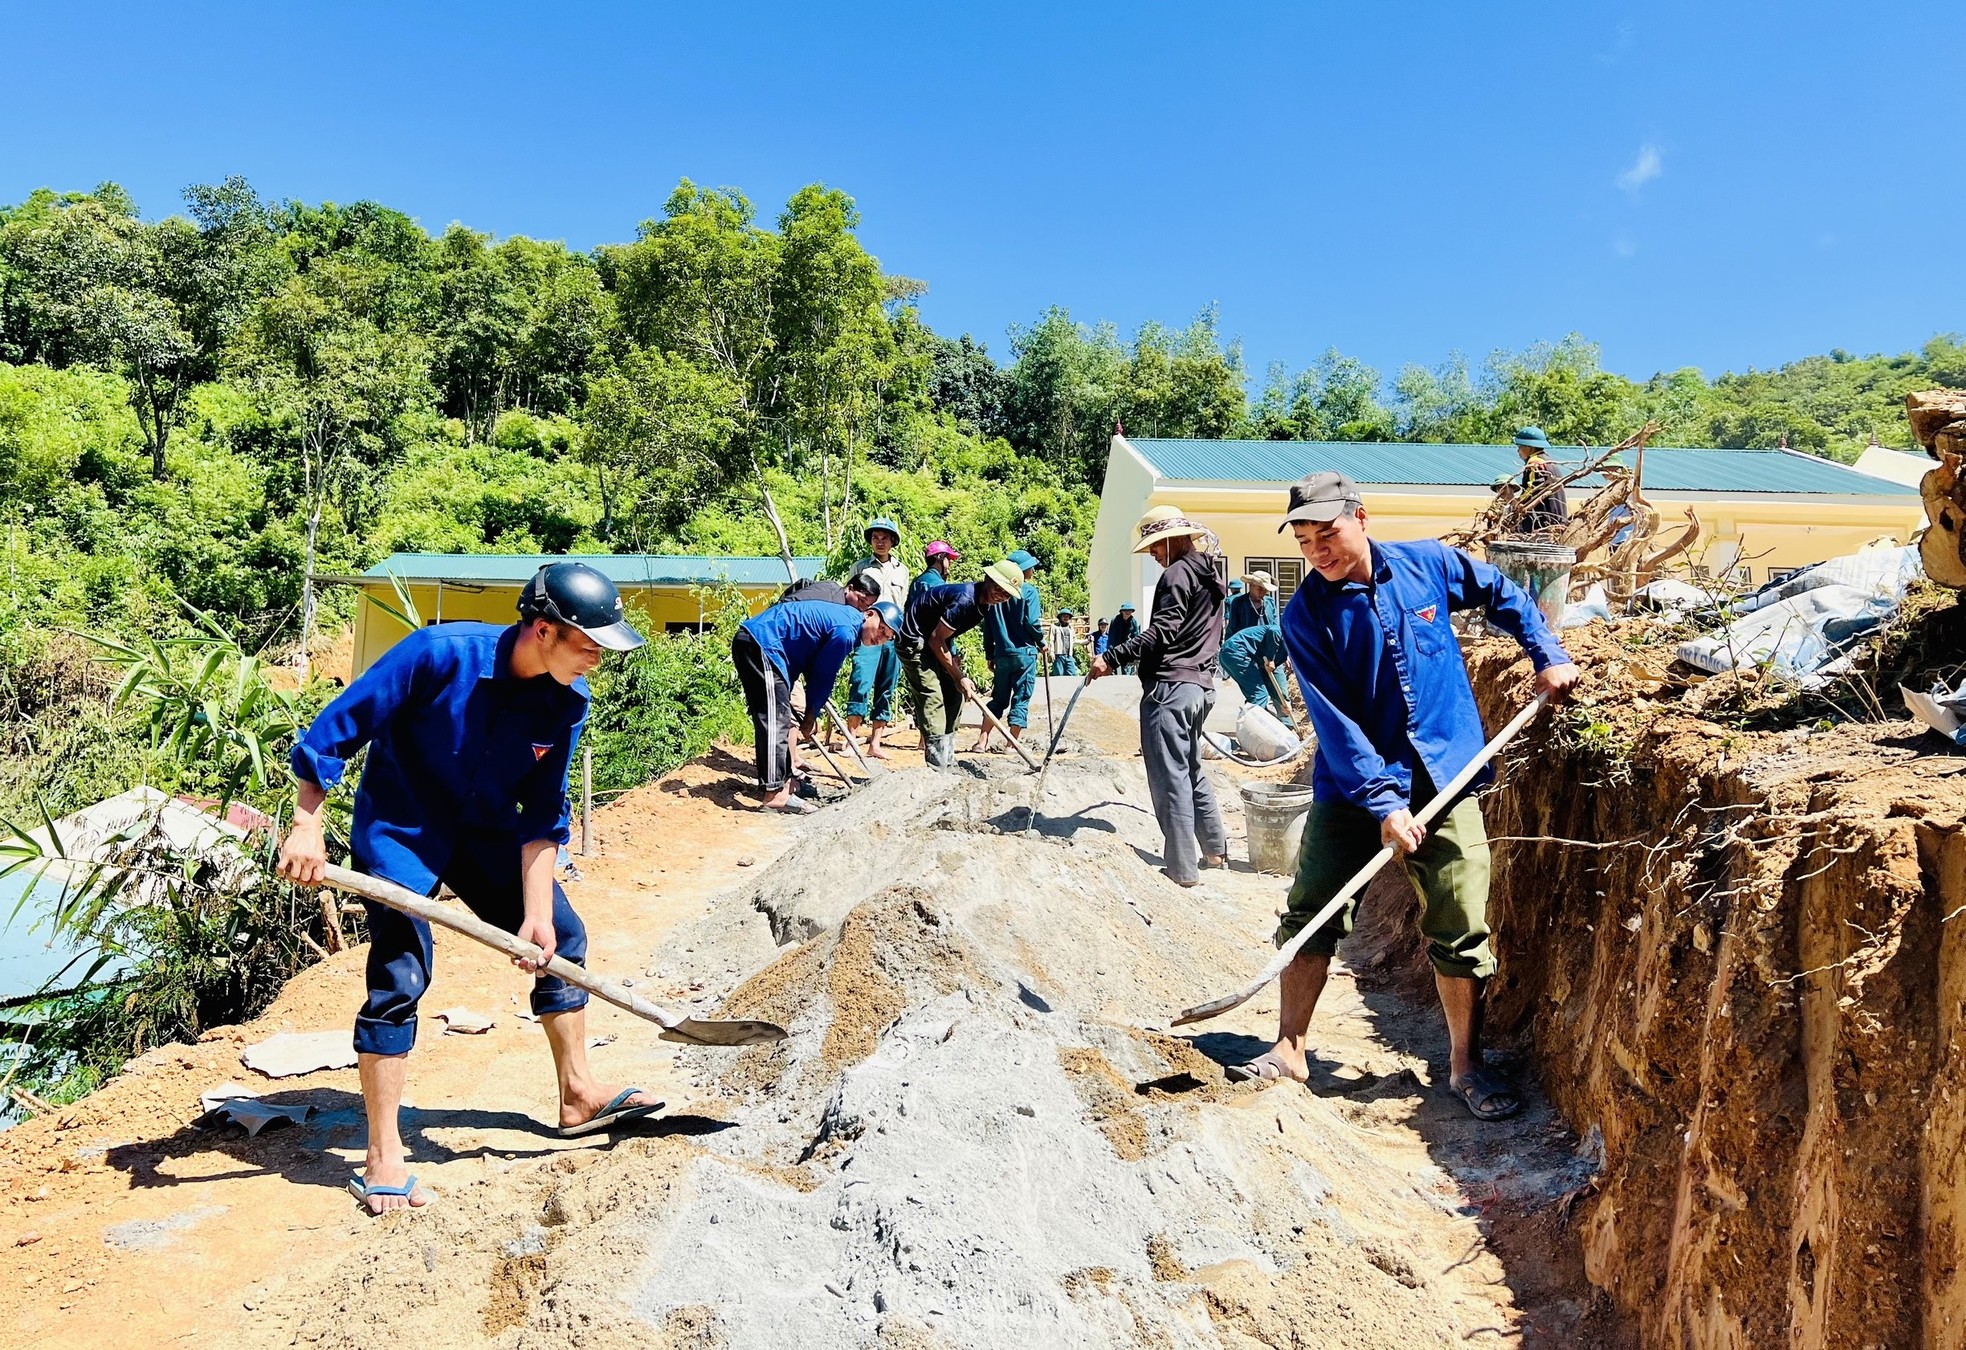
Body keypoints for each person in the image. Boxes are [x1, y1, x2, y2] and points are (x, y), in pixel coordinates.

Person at [275, 562, 654, 1215]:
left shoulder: (567, 702)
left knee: (563, 937)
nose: (598, 659)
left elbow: (541, 818)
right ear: (543, 630)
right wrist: (306, 826)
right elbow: (339, 727)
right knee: (400, 969)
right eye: (589, 645)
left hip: (485, 834)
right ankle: (383, 1151)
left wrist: (534, 915)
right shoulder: (437, 656)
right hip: (402, 830)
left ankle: (577, 1094)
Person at [1237, 470, 1580, 1123]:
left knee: (1460, 921)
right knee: (1312, 909)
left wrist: (1544, 649)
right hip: (1353, 786)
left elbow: (1500, 590)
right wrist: (1384, 803)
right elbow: (1335, 722)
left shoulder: (1427, 565)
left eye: (1327, 533)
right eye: (1305, 541)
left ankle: (1464, 1067)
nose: (1318, 550)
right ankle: (1289, 1047)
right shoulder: (1305, 615)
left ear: (1360, 518)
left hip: (1444, 775)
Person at [1087, 506, 1228, 887]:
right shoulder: (1209, 573)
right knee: (1192, 768)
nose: (1152, 554)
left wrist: (1111, 658)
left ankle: (1182, 869)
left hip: (1171, 689)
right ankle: (1215, 849)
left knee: (1170, 778)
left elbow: (1162, 633)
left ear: (1172, 539)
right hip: (1200, 687)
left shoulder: (1176, 574)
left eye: (1154, 546)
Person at [732, 598, 899, 813]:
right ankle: (774, 795)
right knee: (775, 721)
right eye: (882, 628)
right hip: (762, 643)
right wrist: (810, 717)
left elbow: (813, 666)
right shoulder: (845, 631)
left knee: (779, 718)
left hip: (768, 647)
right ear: (869, 614)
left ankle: (786, 783)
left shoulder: (848, 626)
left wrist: (811, 712)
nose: (881, 637)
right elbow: (822, 677)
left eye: (887, 637)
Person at [898, 558, 1022, 769]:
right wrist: (960, 676)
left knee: (954, 695)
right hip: (914, 642)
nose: (1000, 596)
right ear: (988, 579)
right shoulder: (965, 599)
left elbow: (945, 635)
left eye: (1006, 594)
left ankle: (947, 756)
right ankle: (937, 765)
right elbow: (936, 639)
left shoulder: (984, 607)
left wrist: (954, 666)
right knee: (932, 696)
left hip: (933, 641)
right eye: (999, 589)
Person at [844, 518, 912, 759]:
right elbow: (851, 600)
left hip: (892, 637)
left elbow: (903, 604)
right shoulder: (860, 567)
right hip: (868, 634)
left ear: (892, 541)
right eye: (875, 538)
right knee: (861, 681)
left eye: (884, 538)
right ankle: (851, 741)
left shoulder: (902, 570)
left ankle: (876, 743)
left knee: (886, 687)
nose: (880, 542)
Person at [974, 550, 1043, 754]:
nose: (1032, 570)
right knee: (1021, 697)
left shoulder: (994, 593)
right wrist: (1041, 642)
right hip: (1025, 653)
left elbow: (988, 627)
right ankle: (1012, 744)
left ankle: (982, 741)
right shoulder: (1028, 592)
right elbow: (1032, 622)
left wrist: (989, 653)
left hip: (1002, 653)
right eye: (1030, 567)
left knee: (998, 698)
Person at [1218, 619, 1287, 711]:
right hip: (1236, 651)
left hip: (1231, 653)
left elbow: (1270, 678)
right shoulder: (1288, 636)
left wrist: (1284, 702)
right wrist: (1271, 659)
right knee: (1259, 693)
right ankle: (1256, 722)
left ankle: (1254, 717)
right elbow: (1274, 631)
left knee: (1255, 693)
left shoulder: (1283, 654)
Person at [1512, 426, 1568, 533]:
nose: (1518, 451)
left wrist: (1517, 503)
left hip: (1542, 523)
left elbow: (1533, 490)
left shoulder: (1535, 462)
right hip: (1557, 519)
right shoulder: (1549, 461)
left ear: (1530, 448)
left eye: (1520, 446)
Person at [1225, 571, 1279, 640]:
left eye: (1265, 590)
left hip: (1267, 646)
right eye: (1259, 589)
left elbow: (1275, 627)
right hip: (1246, 646)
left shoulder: (1270, 602)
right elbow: (1231, 629)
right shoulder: (1238, 602)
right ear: (1251, 585)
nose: (1262, 592)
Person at [1106, 602, 1139, 674]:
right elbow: (1111, 634)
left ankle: (1126, 680)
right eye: (1125, 611)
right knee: (1113, 666)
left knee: (1126, 667)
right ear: (1121, 612)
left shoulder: (1134, 622)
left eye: (1129, 611)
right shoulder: (1115, 620)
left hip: (1126, 646)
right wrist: (1111, 647)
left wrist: (1135, 648)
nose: (1127, 612)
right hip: (1116, 645)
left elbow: (1136, 636)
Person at [1048, 610, 1080, 677]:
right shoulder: (1054, 627)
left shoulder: (1071, 628)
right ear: (1060, 617)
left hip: (1069, 655)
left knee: (1072, 674)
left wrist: (1086, 641)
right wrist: (1051, 652)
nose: (1066, 618)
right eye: (1064, 616)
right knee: (1059, 675)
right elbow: (1051, 640)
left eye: (1067, 616)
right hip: (1058, 655)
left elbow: (1074, 641)